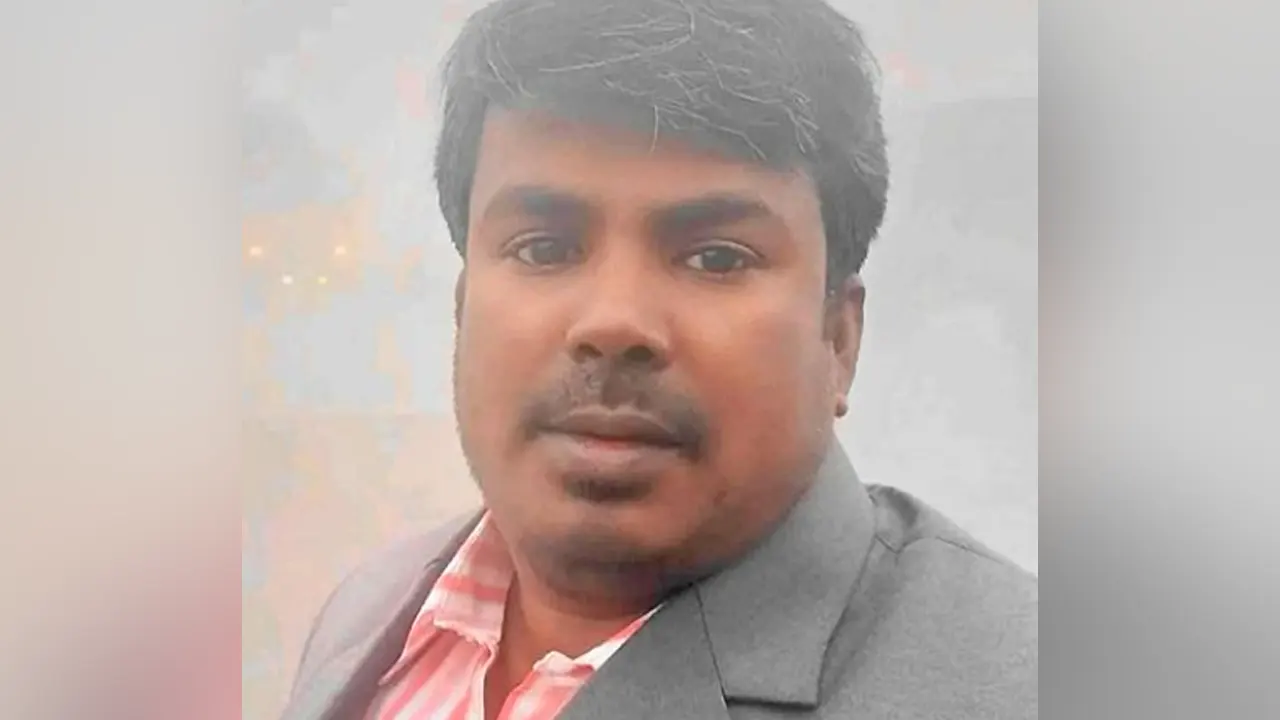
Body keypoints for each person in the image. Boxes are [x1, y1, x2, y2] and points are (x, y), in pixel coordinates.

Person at [280, 0, 1037, 718]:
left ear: (838, 336)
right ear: (463, 304)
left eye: (716, 258)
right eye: (543, 248)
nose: (614, 323)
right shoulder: (375, 613)